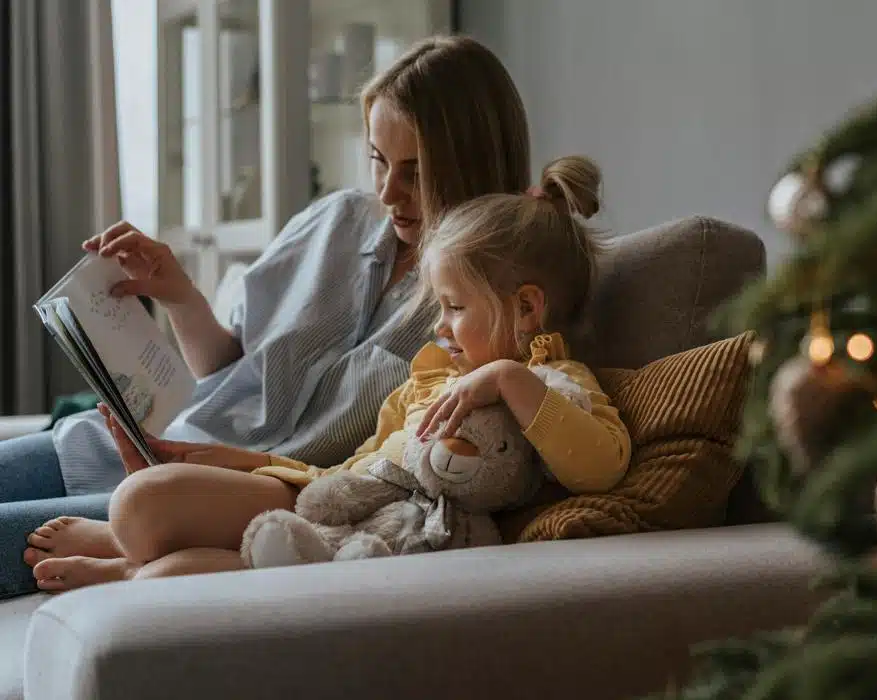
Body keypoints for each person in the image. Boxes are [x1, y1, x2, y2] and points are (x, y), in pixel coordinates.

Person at [2, 35, 533, 599]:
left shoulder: (483, 303)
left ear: (473, 167)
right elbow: (232, 368)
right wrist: (179, 294)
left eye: (415, 173)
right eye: (378, 161)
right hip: (134, 439)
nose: (387, 193)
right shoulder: (336, 220)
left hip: (209, 497)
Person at [31, 157, 630, 590]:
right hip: (330, 504)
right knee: (140, 501)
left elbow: (602, 465)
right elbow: (351, 469)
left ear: (526, 308)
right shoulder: (428, 380)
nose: (441, 327)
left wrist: (508, 378)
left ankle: (126, 563)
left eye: (453, 307)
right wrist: (245, 462)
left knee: (159, 571)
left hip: (379, 537)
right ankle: (128, 541)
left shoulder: (557, 383)